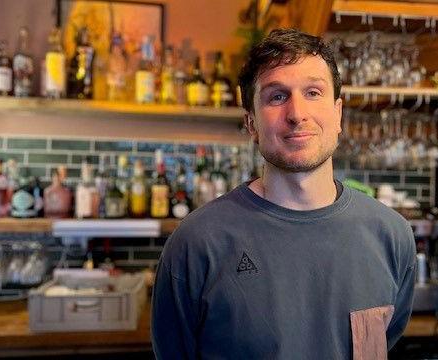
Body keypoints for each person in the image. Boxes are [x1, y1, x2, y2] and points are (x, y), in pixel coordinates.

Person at [151, 28, 416, 359]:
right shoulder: (196, 244)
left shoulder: (391, 235)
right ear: (251, 124)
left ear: (338, 113)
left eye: (313, 92)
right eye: (277, 96)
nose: (297, 114)